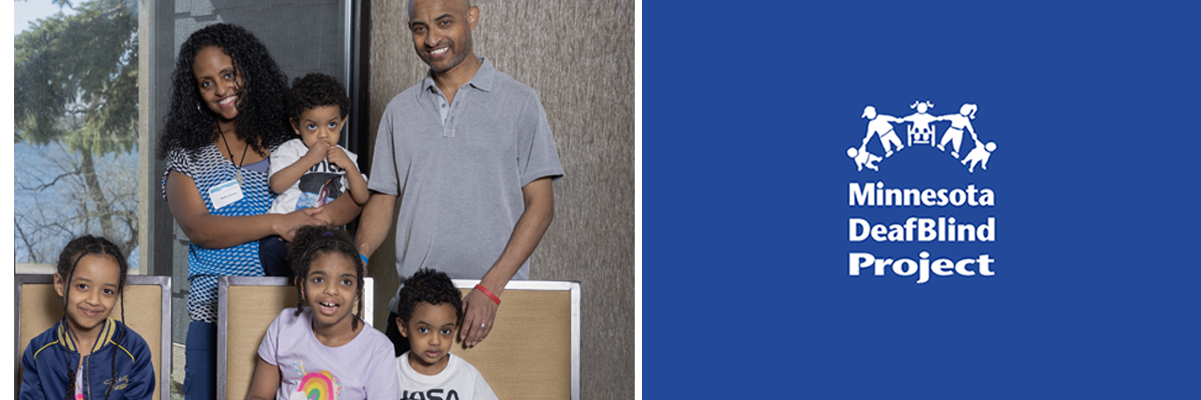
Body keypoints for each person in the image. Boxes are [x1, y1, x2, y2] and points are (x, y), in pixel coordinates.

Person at [157, 23, 361, 399]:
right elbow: (200, 228)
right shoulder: (186, 156)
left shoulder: (291, 141)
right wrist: (279, 223)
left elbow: (349, 197)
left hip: (289, 309)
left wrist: (317, 220)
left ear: (249, 71)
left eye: (229, 74)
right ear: (195, 91)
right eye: (206, 83)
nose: (221, 90)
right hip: (214, 314)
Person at [356, 0, 565, 355]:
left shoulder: (519, 102)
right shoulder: (399, 110)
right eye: (420, 28)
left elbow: (541, 207)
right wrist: (358, 258)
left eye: (444, 22)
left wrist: (490, 290)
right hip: (414, 309)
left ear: (472, 17)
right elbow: (382, 199)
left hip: (492, 307)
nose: (431, 38)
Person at [247, 226, 399, 400]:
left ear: (358, 291)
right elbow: (259, 395)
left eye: (345, 282)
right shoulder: (284, 326)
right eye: (319, 279)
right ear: (302, 287)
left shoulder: (378, 349)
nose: (331, 290)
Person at [260, 73, 370, 277]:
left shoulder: (345, 157)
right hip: (283, 237)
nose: (323, 134)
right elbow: (277, 184)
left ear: (343, 122)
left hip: (324, 239)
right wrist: (309, 159)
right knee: (287, 282)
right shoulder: (291, 150)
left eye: (332, 124)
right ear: (296, 126)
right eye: (312, 126)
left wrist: (349, 166)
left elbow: (362, 197)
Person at [20, 235, 155, 399]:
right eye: (82, 286)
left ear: (117, 295)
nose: (94, 300)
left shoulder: (134, 349)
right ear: (60, 284)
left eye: (107, 291)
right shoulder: (37, 352)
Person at [395, 269, 498, 400]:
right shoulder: (390, 372)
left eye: (445, 331)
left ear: (455, 328)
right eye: (423, 330)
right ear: (403, 327)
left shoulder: (467, 376)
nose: (435, 341)